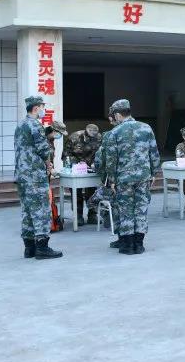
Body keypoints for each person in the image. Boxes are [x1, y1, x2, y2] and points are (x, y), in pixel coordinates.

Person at [95, 99, 159, 255]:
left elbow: (111, 159)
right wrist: (154, 173)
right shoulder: (146, 128)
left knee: (126, 210)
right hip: (143, 177)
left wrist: (111, 180)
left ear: (117, 115)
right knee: (141, 209)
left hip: (123, 179)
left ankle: (128, 245)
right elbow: (154, 153)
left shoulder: (114, 133)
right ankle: (139, 244)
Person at [14, 95, 62, 260]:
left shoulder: (20, 124)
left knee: (27, 211)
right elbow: (43, 150)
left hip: (22, 174)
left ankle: (29, 248)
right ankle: (42, 248)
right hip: (35, 175)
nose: (43, 110)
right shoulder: (35, 125)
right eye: (42, 107)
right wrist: (49, 165)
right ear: (36, 108)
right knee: (41, 210)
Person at [65, 123, 102, 224]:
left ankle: (92, 214)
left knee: (93, 192)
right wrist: (76, 163)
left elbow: (100, 153)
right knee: (76, 192)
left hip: (91, 169)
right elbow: (66, 155)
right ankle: (78, 215)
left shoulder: (99, 138)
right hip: (77, 169)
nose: (92, 139)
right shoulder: (74, 137)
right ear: (85, 133)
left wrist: (96, 163)